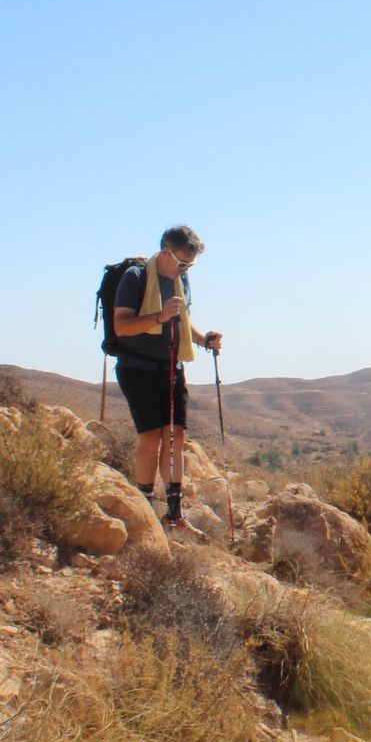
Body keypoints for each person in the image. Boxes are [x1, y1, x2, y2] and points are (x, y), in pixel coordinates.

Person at [111, 225, 223, 529]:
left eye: (190, 265)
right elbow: (122, 326)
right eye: (182, 262)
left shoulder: (180, 280)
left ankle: (174, 514)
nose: (186, 269)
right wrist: (159, 316)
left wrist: (203, 340)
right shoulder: (135, 278)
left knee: (175, 435)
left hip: (170, 365)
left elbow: (181, 320)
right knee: (150, 436)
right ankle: (145, 507)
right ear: (165, 252)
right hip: (137, 366)